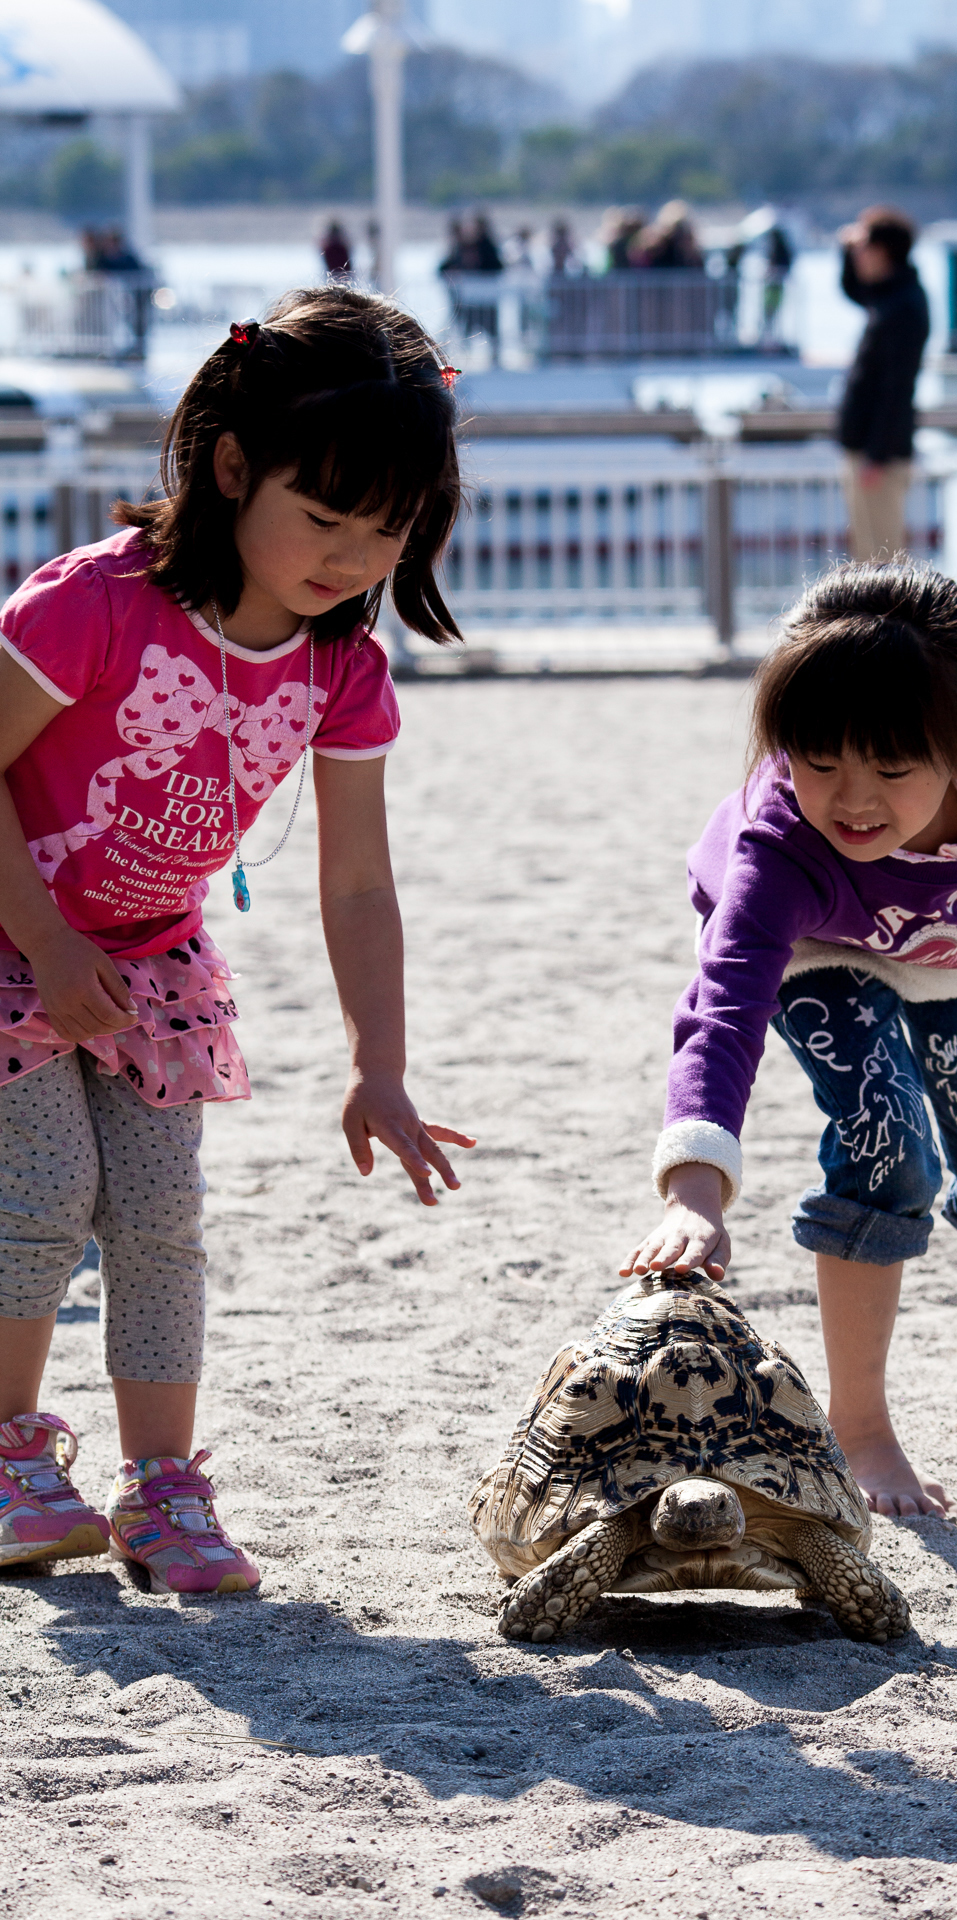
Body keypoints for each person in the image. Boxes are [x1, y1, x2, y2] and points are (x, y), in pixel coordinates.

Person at [0, 286, 473, 1593]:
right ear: (228, 465)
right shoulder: (93, 606)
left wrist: (380, 1062)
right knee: (41, 1198)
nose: (349, 557)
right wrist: (40, 937)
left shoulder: (341, 666)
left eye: (385, 533)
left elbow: (361, 884)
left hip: (153, 959)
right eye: (323, 519)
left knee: (160, 1219)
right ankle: (6, 1458)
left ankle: (161, 1492)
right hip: (10, 937)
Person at [624, 560, 957, 1518]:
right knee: (885, 1141)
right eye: (818, 762)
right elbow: (723, 1011)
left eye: (891, 769)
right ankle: (861, 1429)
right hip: (817, 942)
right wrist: (695, 1192)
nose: (852, 799)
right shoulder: (779, 853)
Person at [836, 207, 930, 564]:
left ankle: (890, 624)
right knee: (869, 556)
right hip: (872, 449)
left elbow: (897, 386)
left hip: (880, 455)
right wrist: (844, 251)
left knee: (883, 560)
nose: (857, 254)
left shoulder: (902, 306)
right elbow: (853, 287)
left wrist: (876, 454)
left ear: (882, 251)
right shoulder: (891, 296)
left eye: (862, 246)